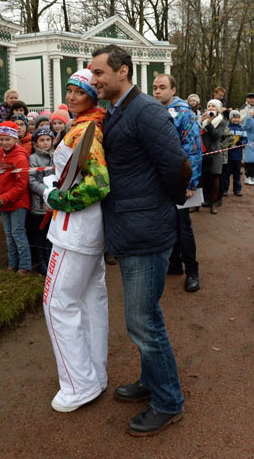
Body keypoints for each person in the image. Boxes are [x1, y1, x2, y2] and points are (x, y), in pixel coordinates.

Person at [90, 45, 191, 437]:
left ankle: (168, 401)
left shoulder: (146, 110)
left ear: (123, 72)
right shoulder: (119, 110)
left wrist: (163, 205)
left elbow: (177, 165)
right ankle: (152, 382)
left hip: (146, 231)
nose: (94, 79)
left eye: (99, 72)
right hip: (134, 229)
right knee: (146, 315)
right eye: (92, 73)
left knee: (142, 321)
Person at [42, 68, 110, 413]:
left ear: (92, 97)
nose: (71, 97)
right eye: (69, 90)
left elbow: (98, 184)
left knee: (57, 304)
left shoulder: (86, 130)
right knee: (90, 300)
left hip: (74, 229)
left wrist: (56, 198)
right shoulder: (86, 125)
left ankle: (78, 384)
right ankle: (94, 375)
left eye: (79, 92)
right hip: (86, 230)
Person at [153, 74, 202, 293]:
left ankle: (192, 270)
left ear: (173, 90)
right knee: (165, 223)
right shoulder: (152, 111)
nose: (157, 91)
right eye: (154, 88)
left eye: (162, 87)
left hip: (180, 181)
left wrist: (190, 182)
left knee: (183, 227)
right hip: (158, 181)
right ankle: (173, 265)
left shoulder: (185, 114)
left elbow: (193, 149)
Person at [0, 121, 32, 275]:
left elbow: (21, 185)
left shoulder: (20, 158)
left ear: (15, 138)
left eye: (8, 139)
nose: (4, 142)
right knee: (9, 234)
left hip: (17, 202)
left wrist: (4, 197)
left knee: (18, 233)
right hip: (2, 202)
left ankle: (25, 266)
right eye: (1, 139)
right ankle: (12, 263)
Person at [27, 127, 54, 275]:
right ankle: (40, 262)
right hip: (39, 204)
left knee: (50, 235)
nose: (45, 143)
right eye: (42, 140)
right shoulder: (33, 159)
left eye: (48, 140)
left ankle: (50, 260)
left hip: (53, 204)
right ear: (36, 142)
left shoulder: (56, 156)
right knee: (39, 235)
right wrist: (46, 191)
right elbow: (31, 181)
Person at [200, 99, 227, 214]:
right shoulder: (202, 119)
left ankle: (213, 204)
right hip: (202, 153)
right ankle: (198, 203)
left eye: (213, 106)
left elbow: (216, 136)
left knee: (214, 179)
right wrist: (201, 121)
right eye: (209, 106)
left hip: (215, 154)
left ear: (218, 109)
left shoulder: (222, 121)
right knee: (201, 179)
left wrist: (209, 123)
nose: (211, 108)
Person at [224, 110, 247, 196]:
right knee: (226, 174)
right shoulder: (227, 128)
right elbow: (224, 138)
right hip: (228, 155)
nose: (236, 119)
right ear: (230, 118)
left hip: (237, 155)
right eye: (234, 117)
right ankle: (225, 189)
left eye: (238, 117)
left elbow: (245, 139)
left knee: (237, 173)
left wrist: (241, 143)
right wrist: (227, 144)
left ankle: (237, 190)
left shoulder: (242, 128)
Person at [242, 107, 254, 184]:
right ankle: (247, 177)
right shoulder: (249, 117)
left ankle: (252, 177)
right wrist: (249, 117)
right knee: (249, 161)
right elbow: (245, 127)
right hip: (250, 142)